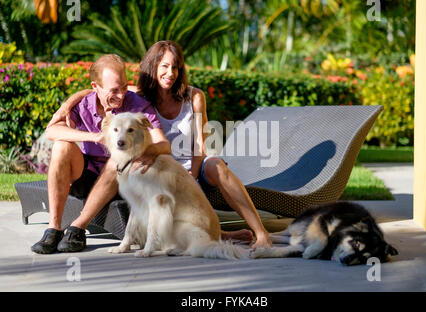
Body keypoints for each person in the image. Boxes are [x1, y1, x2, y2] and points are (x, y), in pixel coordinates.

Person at [49, 41, 272, 248]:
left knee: (217, 166)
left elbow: (198, 145)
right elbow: (101, 90)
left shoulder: (194, 97)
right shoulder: (141, 96)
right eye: (164, 66)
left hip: (191, 168)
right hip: (160, 168)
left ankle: (261, 233)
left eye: (175, 67)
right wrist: (68, 104)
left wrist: (192, 177)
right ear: (153, 66)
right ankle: (221, 234)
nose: (170, 73)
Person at [31, 54, 170, 254]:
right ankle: (53, 229)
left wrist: (148, 152)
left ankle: (77, 227)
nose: (121, 95)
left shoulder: (137, 105)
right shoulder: (84, 104)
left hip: (122, 182)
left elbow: (163, 144)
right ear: (95, 87)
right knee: (62, 146)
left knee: (117, 161)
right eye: (114, 90)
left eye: (124, 87)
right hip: (88, 175)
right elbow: (52, 131)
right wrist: (94, 137)